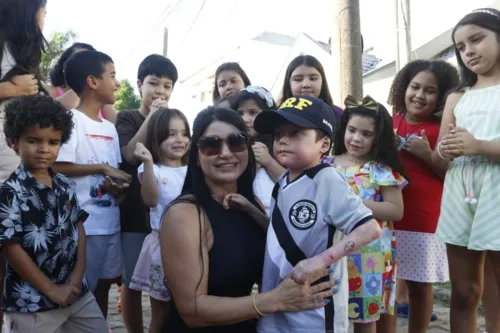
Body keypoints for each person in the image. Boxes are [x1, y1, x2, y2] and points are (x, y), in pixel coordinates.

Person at [160, 107, 335, 332]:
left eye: (236, 142)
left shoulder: (251, 205)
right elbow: (192, 310)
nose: (225, 153)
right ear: (196, 155)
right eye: (211, 145)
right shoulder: (184, 215)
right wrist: (274, 301)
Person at [253, 95, 382, 333]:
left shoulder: (327, 179)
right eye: (279, 133)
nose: (283, 140)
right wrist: (248, 208)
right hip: (279, 303)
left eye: (296, 133)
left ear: (323, 144)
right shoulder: (282, 180)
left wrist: (320, 261)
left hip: (316, 313)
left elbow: (369, 228)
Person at [0, 95, 108, 333]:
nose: (44, 149)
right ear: (13, 141)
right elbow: (10, 248)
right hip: (31, 304)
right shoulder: (9, 193)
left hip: (76, 295)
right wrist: (50, 289)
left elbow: (77, 226)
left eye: (53, 142)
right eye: (33, 140)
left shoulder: (64, 185)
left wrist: (78, 276)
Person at [433, 8, 500, 333]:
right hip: (460, 197)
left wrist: (480, 147)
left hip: (497, 197)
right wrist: (444, 149)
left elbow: (474, 145)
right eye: (461, 46)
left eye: (476, 39)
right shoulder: (458, 97)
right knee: (463, 292)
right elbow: (441, 154)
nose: (468, 50)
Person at [53, 50, 131, 320]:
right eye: (112, 75)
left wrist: (117, 186)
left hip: (111, 223)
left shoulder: (109, 127)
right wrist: (101, 168)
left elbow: (113, 172)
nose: (117, 83)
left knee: (103, 287)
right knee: (79, 291)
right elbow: (57, 166)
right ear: (93, 81)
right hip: (84, 228)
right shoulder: (72, 121)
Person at [322, 95, 407, 333]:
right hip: (332, 253)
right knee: (331, 312)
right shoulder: (326, 165)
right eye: (352, 130)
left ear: (378, 137)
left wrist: (355, 202)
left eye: (366, 134)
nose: (356, 138)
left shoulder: (380, 170)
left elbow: (396, 210)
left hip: (371, 257)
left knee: (365, 318)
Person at [387, 59, 459, 332]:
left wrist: (427, 155)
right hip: (388, 217)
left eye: (430, 91)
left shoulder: (441, 129)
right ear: (404, 88)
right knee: (388, 282)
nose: (419, 95)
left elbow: (451, 176)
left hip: (424, 218)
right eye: (414, 87)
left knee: (420, 284)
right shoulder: (388, 123)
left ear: (442, 97)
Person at [115, 53, 178, 333]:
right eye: (154, 83)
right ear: (140, 84)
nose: (160, 91)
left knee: (162, 284)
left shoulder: (173, 122)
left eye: (167, 85)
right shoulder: (127, 117)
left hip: (166, 218)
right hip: (133, 214)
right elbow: (129, 155)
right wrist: (152, 116)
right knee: (131, 283)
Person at [129, 108, 190, 333]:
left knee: (188, 307)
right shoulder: (152, 169)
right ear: (157, 137)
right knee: (161, 311)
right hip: (163, 246)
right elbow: (151, 200)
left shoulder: (196, 169)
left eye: (184, 134)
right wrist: (145, 162)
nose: (179, 140)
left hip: (191, 247)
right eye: (172, 134)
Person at [230, 85, 283, 215]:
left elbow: (291, 184)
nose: (245, 119)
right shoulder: (230, 147)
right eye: (240, 113)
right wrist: (253, 167)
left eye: (253, 113)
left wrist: (268, 161)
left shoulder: (281, 144)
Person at [47, 42, 117, 123]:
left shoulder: (103, 101)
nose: (84, 66)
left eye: (90, 63)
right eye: (78, 60)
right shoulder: (50, 91)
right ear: (64, 66)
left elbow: (116, 128)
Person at [278, 55, 343, 117]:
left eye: (313, 78)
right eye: (298, 79)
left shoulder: (338, 115)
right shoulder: (277, 115)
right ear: (289, 84)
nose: (306, 85)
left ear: (322, 82)